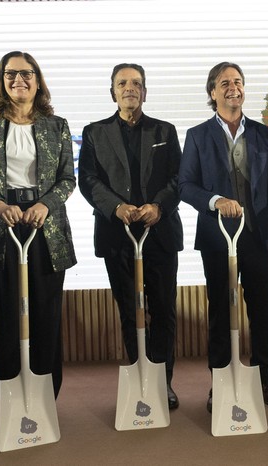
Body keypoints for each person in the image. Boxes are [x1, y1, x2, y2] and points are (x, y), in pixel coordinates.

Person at [0, 51, 76, 398]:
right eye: (10, 74)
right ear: (1, 80)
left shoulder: (57, 126)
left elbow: (67, 179)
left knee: (45, 315)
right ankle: (11, 398)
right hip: (0, 227)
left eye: (26, 74)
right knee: (7, 317)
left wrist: (45, 204)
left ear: (38, 81)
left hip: (45, 227)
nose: (18, 80)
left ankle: (45, 398)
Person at [179, 62, 268, 412]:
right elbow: (185, 185)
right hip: (217, 239)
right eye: (224, 83)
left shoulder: (265, 134)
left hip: (259, 238)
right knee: (221, 314)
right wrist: (215, 201)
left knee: (261, 312)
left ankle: (264, 379)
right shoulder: (197, 136)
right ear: (212, 92)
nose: (233, 88)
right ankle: (221, 381)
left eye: (238, 82)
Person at [78, 63, 183, 409]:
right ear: (113, 91)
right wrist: (116, 208)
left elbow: (177, 179)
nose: (130, 88)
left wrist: (158, 206)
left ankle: (162, 381)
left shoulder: (165, 130)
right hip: (116, 234)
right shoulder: (94, 132)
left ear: (145, 92)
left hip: (160, 233)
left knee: (164, 311)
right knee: (129, 311)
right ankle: (139, 376)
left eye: (136, 83)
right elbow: (88, 180)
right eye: (122, 83)